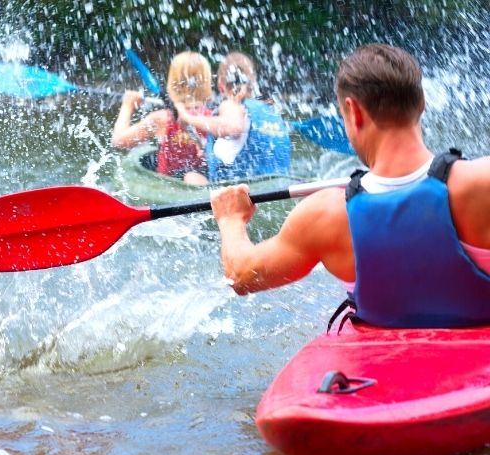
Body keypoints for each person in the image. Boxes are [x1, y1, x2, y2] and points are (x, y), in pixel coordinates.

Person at [210, 43, 490, 328]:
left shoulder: (325, 216)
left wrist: (230, 218)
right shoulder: (480, 184)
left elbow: (241, 275)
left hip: (383, 369)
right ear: (422, 102)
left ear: (352, 111)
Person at [175, 52, 291, 185]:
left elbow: (233, 128)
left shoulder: (232, 104)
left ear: (220, 86)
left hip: (244, 196)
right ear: (252, 83)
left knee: (189, 175)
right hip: (279, 190)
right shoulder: (270, 112)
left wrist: (187, 117)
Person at [111, 51, 214, 183]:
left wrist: (127, 105)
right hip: (205, 179)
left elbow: (118, 141)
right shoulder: (215, 115)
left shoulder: (163, 119)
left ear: (173, 82)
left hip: (171, 187)